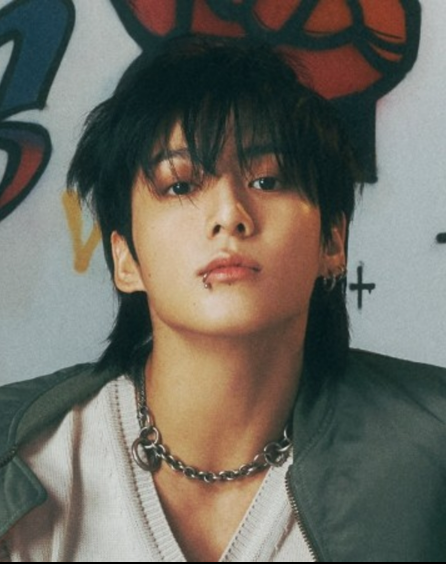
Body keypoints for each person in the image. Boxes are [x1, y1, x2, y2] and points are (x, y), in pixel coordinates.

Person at [0, 35, 445, 563]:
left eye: (268, 179)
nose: (230, 214)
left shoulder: (431, 449)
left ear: (333, 242)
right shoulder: (28, 459)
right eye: (181, 185)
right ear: (125, 260)